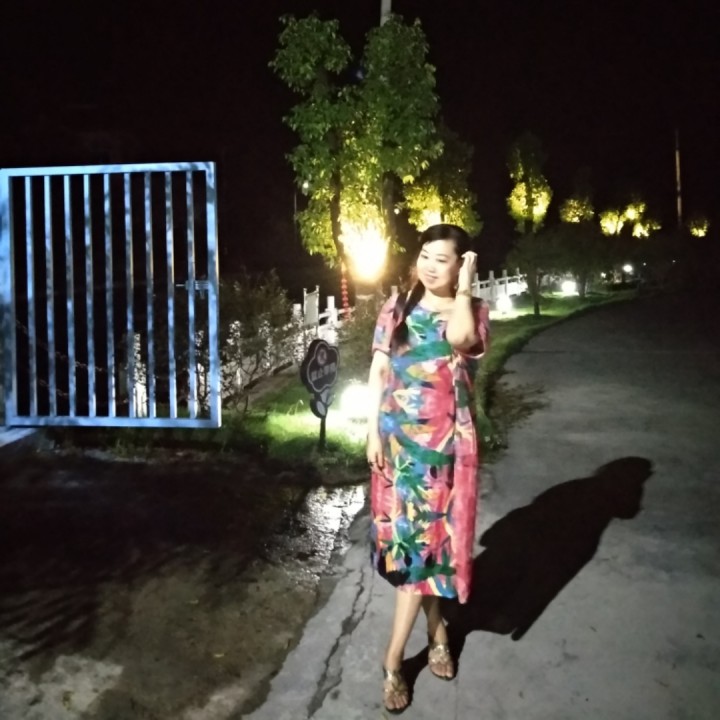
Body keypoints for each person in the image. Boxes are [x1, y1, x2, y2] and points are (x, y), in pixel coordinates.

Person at [366, 223, 490, 713]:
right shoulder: (397, 307)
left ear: (460, 265)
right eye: (424, 255)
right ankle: (436, 633)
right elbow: (379, 370)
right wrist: (372, 432)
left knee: (426, 548)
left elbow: (461, 338)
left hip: (444, 452)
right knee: (417, 549)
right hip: (399, 448)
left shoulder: (473, 311)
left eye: (443, 259)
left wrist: (466, 287)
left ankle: (393, 660)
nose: (430, 265)